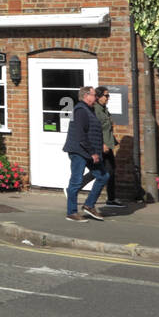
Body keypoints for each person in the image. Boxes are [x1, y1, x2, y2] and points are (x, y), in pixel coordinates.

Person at [63, 86, 107, 221]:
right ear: (86, 96)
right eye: (94, 95)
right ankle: (71, 212)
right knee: (76, 182)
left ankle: (89, 205)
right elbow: (81, 135)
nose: (96, 97)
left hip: (88, 152)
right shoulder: (80, 111)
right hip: (79, 152)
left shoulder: (89, 110)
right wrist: (93, 152)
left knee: (103, 176)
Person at [93, 87, 124, 207]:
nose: (108, 98)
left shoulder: (103, 109)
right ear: (98, 97)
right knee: (99, 170)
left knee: (111, 170)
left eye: (108, 95)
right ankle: (73, 188)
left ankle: (111, 199)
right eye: (106, 95)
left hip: (108, 144)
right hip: (102, 146)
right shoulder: (96, 110)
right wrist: (102, 144)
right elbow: (96, 129)